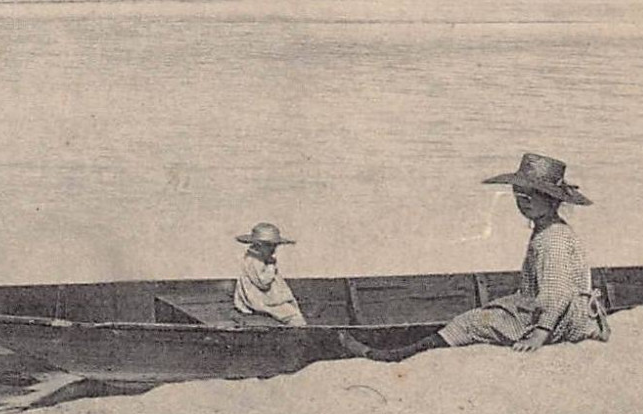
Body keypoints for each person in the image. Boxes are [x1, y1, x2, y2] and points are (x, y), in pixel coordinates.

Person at [340, 153, 608, 361]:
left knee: (469, 323)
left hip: (562, 320)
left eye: (533, 195)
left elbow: (558, 292)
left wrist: (540, 334)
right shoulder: (548, 229)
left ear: (552, 200)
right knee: (489, 311)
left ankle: (388, 356)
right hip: (561, 312)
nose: (523, 201)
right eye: (519, 194)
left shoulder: (553, 239)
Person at [233, 222, 306, 326]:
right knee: (293, 316)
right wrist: (271, 266)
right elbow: (263, 282)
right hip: (260, 299)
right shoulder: (253, 260)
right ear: (258, 245)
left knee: (292, 311)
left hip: (267, 297)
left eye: (275, 246)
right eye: (270, 246)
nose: (273, 249)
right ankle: (300, 335)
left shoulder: (261, 259)